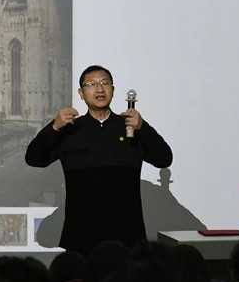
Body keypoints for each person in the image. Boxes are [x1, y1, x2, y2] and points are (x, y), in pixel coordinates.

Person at [25, 65, 173, 252]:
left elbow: (164, 159)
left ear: (113, 90)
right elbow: (34, 159)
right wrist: (53, 127)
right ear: (81, 93)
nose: (99, 89)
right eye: (92, 84)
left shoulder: (130, 127)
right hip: (81, 235)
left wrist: (143, 127)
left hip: (127, 236)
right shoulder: (70, 130)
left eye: (105, 83)